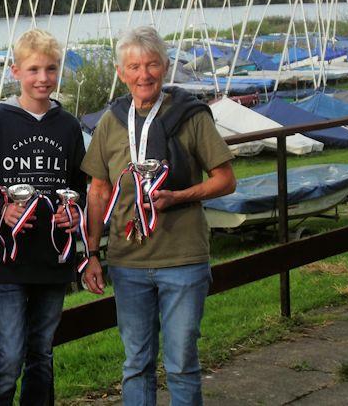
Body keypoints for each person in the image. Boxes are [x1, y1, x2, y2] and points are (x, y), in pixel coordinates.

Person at [82, 26, 236, 405]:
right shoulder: (111, 121)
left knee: (182, 362)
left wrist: (180, 195)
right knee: (136, 363)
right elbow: (98, 190)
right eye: (134, 66)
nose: (143, 75)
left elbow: (226, 180)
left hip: (183, 260)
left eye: (152, 65)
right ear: (121, 72)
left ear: (165, 68)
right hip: (127, 262)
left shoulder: (191, 116)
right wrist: (90, 254)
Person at [0, 29, 87, 405]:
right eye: (33, 70)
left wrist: (73, 213)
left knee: (41, 353)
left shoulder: (68, 126)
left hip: (52, 257)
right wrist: (2, 207)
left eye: (51, 69)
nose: (43, 78)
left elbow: (79, 186)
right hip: (8, 258)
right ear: (15, 72)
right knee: (9, 355)